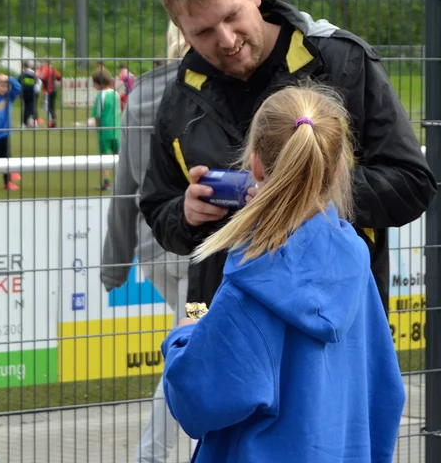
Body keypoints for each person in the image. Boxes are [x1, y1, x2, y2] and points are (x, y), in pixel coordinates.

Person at [138, 0, 436, 312]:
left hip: (334, 313)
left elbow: (412, 184)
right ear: (183, 33)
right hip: (225, 316)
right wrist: (186, 215)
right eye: (204, 32)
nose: (227, 40)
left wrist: (306, 190)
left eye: (231, 16)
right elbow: (157, 209)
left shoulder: (340, 63)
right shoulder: (180, 98)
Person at [161, 83, 405, 462]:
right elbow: (386, 393)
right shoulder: (356, 263)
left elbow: (197, 399)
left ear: (255, 165)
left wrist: (183, 337)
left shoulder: (253, 283)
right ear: (341, 167)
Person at [102, 21, 192, 463]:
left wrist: (114, 264)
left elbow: (125, 187)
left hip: (155, 251)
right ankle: (150, 456)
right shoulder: (209, 95)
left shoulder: (138, 97)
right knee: (192, 347)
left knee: (198, 340)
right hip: (196, 257)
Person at [90, 70, 121, 191]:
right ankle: (120, 182)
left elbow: (98, 114)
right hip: (117, 129)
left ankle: (106, 182)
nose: (93, 85)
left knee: (104, 157)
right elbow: (118, 112)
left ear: (100, 83)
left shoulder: (100, 96)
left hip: (105, 130)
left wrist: (98, 127)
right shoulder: (116, 94)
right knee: (118, 156)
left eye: (94, 83)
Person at [37, 58, 62, 127]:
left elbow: (42, 77)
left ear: (46, 62)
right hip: (54, 90)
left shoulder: (46, 70)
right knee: (51, 107)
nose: (42, 64)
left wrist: (39, 71)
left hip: (48, 91)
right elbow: (59, 77)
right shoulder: (53, 69)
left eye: (43, 62)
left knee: (45, 107)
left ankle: (51, 121)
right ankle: (53, 121)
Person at [18, 58, 39, 127]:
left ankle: (25, 123)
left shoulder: (23, 74)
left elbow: (19, 84)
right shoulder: (34, 74)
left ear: (24, 66)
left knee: (27, 108)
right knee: (32, 107)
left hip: (25, 94)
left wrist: (19, 93)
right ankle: (34, 122)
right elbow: (37, 83)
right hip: (33, 93)